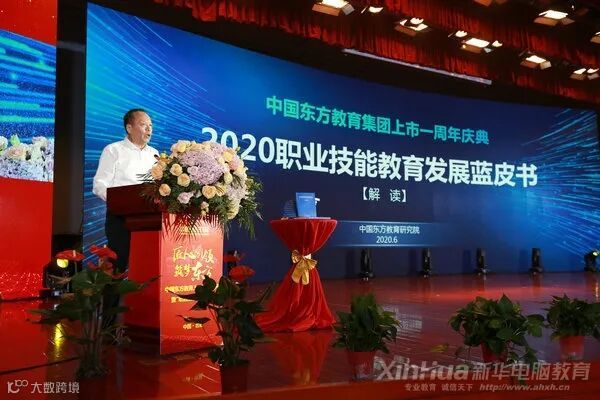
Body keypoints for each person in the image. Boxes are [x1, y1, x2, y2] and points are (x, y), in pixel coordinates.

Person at [93, 108, 158, 273]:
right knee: (118, 264)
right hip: (120, 218)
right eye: (143, 125)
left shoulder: (154, 154)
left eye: (150, 125)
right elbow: (99, 185)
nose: (149, 129)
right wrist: (120, 201)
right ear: (129, 128)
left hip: (149, 218)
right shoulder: (113, 150)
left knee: (147, 265)